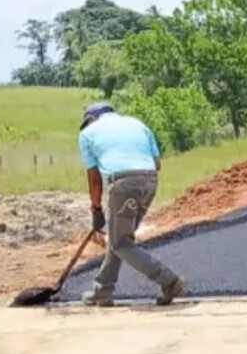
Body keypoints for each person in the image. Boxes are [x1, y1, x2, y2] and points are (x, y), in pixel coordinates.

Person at [79, 102, 188, 307]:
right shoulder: (138, 124)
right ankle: (102, 290)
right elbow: (157, 164)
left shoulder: (87, 134)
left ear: (93, 118)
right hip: (150, 182)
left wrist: (96, 209)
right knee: (120, 240)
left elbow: (94, 181)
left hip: (123, 185)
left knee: (120, 243)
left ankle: (169, 280)